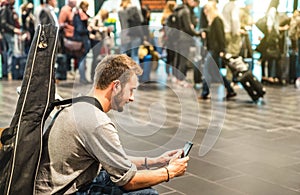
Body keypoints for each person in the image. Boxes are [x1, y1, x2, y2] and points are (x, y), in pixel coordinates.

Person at [34, 54, 189, 194]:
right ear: (116, 86)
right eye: (131, 90)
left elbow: (113, 159)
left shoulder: (79, 104)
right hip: (63, 191)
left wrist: (155, 162)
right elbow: (128, 182)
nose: (132, 98)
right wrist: (170, 172)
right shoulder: (97, 122)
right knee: (147, 194)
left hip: (56, 185)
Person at [199, 1, 236, 100]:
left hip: (215, 50)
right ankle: (230, 90)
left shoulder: (217, 20)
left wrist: (222, 49)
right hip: (213, 49)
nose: (205, 12)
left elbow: (220, 36)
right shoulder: (212, 21)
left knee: (206, 69)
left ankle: (205, 92)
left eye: (206, 10)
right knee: (216, 73)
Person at [173, 0, 201, 87]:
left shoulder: (178, 9)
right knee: (183, 59)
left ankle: (177, 78)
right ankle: (181, 79)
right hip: (184, 38)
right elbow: (188, 27)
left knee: (178, 58)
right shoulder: (186, 11)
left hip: (177, 37)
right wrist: (198, 33)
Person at [0, 0, 22, 80]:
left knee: (10, 53)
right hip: (8, 33)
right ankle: (9, 73)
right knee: (10, 53)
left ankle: (10, 72)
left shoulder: (9, 8)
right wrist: (13, 29)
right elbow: (3, 22)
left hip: (9, 33)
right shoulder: (6, 8)